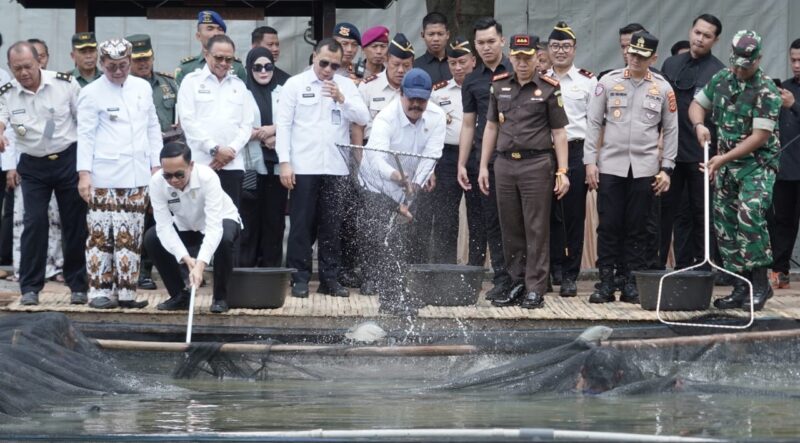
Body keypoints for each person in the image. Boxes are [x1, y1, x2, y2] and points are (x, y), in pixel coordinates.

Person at [689, 30, 782, 311]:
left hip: (757, 167)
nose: (740, 70)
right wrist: (699, 125)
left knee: (749, 216)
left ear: (758, 59)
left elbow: (759, 137)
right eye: (737, 64)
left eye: (746, 65)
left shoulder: (766, 90)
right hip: (727, 165)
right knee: (725, 224)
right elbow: (696, 105)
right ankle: (740, 287)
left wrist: (722, 158)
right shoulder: (721, 79)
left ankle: (760, 285)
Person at [584, 31, 678, 304]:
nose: (635, 59)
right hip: (611, 166)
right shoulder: (608, 82)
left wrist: (667, 168)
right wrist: (590, 161)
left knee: (638, 228)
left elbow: (671, 131)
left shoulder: (662, 88)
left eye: (642, 55)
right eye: (632, 53)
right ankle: (605, 282)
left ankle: (630, 282)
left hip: (645, 168)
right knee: (609, 225)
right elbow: (593, 123)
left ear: (653, 58)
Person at [479, 34, 570, 310]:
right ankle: (516, 282)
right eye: (517, 56)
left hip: (536, 164)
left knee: (536, 227)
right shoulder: (499, 86)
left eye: (527, 57)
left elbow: (559, 132)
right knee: (511, 227)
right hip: (505, 164)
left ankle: (535, 287)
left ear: (536, 57)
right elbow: (491, 127)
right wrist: (484, 165)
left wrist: (563, 171)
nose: (521, 62)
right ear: (511, 56)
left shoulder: (549, 88)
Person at [275, 38, 369, 298]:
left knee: (332, 226)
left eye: (335, 65)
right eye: (324, 62)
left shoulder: (346, 85)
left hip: (336, 167)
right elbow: (283, 126)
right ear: (314, 56)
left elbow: (363, 118)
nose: (328, 70)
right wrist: (285, 162)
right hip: (304, 166)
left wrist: (342, 99)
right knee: (301, 225)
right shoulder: (295, 84)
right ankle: (299, 277)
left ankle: (330, 279)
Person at [77, 38, 163, 309]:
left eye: (123, 65)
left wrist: (156, 166)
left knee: (132, 236)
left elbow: (152, 127)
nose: (118, 71)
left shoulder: (142, 87)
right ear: (102, 64)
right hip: (104, 175)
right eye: (112, 66)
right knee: (101, 236)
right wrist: (84, 174)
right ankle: (99, 293)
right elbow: (85, 136)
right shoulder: (91, 92)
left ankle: (126, 293)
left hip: (138, 175)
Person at [0, 41, 88, 306]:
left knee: (73, 224)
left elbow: (84, 123)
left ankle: (78, 285)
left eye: (28, 66)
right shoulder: (7, 93)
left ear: (39, 61)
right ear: (10, 69)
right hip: (33, 164)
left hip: (66, 159)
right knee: (34, 223)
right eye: (18, 69)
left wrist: (86, 169)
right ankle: (30, 287)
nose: (24, 73)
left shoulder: (65, 84)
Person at [359, 68, 445, 315]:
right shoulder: (386, 117)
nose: (416, 104)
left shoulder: (437, 117)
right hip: (377, 183)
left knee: (402, 238)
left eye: (422, 99)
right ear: (401, 94)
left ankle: (398, 291)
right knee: (384, 239)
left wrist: (414, 187)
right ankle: (389, 299)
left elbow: (431, 156)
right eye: (412, 99)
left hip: (409, 186)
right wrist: (397, 177)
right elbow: (376, 158)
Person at [659, 14, 725, 270]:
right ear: (691, 30)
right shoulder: (672, 64)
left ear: (715, 40)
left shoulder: (718, 72)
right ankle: (660, 266)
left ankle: (704, 268)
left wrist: (719, 158)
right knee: (667, 213)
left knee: (702, 213)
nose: (700, 39)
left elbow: (720, 119)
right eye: (697, 32)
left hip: (702, 154)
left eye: (707, 36)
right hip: (671, 153)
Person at [351, 33, 414, 293]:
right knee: (372, 224)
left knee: (401, 225)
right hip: (373, 165)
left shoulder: (417, 87)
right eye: (396, 63)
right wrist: (360, 163)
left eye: (406, 65)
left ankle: (397, 277)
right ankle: (370, 275)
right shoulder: (368, 87)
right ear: (386, 60)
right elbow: (357, 128)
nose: (401, 70)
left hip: (404, 166)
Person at [145, 142, 241, 313]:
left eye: (179, 174)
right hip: (185, 225)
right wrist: (185, 258)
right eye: (168, 175)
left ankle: (220, 297)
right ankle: (179, 295)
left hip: (220, 220)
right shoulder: (156, 182)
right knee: (152, 237)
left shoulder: (208, 177)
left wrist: (200, 264)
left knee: (224, 238)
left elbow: (214, 227)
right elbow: (164, 226)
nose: (173, 180)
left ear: (191, 165)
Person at [457, 17, 513, 301]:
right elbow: (469, 124)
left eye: (491, 41)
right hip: (481, 162)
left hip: (515, 159)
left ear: (502, 40)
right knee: (484, 222)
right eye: (480, 43)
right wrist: (462, 163)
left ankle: (514, 278)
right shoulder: (472, 80)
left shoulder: (517, 70)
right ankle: (484, 277)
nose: (486, 47)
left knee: (511, 222)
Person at [414, 37, 480, 265]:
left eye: (462, 62)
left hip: (477, 155)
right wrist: (429, 166)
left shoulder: (485, 86)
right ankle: (445, 268)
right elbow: (426, 130)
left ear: (473, 60)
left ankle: (475, 269)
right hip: (447, 157)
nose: (458, 67)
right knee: (444, 216)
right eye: (453, 63)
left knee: (478, 216)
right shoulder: (438, 92)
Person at [545, 21, 597, 297]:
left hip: (577, 152)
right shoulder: (540, 79)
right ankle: (551, 268)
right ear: (548, 50)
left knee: (574, 217)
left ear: (575, 49)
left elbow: (596, 125)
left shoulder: (588, 82)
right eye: (555, 46)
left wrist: (591, 161)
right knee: (546, 214)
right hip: (545, 154)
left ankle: (570, 274)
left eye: (566, 46)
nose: (561, 51)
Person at [126, 33, 180, 290]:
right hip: (135, 160)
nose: (142, 64)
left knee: (167, 213)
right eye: (137, 59)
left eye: (146, 58)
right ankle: (141, 271)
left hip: (168, 163)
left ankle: (172, 267)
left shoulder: (169, 84)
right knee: (140, 217)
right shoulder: (123, 87)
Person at [177, 34, 253, 209]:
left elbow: (246, 125)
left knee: (230, 219)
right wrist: (214, 150)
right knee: (198, 219)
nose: (224, 63)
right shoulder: (191, 82)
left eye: (229, 59)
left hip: (232, 165)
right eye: (219, 57)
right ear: (206, 54)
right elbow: (188, 122)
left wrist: (230, 152)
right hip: (201, 163)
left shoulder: (239, 85)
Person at [239, 46, 291, 267]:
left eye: (268, 66)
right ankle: (245, 270)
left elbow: (293, 122)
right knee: (249, 219)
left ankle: (270, 271)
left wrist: (274, 131)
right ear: (249, 68)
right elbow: (234, 125)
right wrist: (261, 136)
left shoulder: (282, 91)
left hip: (277, 168)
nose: (263, 71)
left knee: (274, 221)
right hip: (251, 167)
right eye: (257, 67)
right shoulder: (241, 92)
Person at [768, 39, 800, 290]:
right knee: (783, 222)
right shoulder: (786, 88)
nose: (796, 65)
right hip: (786, 168)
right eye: (793, 60)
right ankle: (780, 270)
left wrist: (795, 106)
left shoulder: (792, 98)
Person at [175, 10, 247, 85]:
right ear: (198, 36)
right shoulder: (186, 68)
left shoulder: (237, 66)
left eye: (220, 29)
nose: (216, 33)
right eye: (210, 29)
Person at [413, 12, 452, 84]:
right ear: (423, 35)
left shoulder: (457, 64)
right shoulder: (415, 67)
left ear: (447, 34)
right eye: (431, 34)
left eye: (440, 34)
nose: (436, 39)